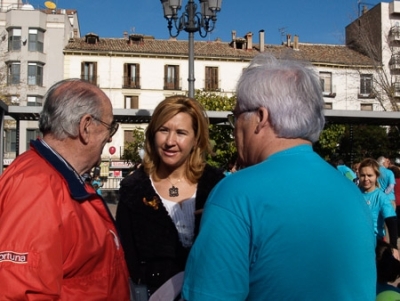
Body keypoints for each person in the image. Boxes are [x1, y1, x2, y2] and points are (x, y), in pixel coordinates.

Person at [182, 53, 376, 300]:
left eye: (236, 117)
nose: (234, 131)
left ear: (260, 118)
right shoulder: (352, 193)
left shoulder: (235, 194)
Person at [0, 79, 130, 300]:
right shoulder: (37, 186)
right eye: (110, 127)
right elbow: (21, 291)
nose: (110, 138)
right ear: (86, 126)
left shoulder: (57, 179)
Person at [116, 96, 225, 296]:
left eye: (181, 132)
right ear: (152, 135)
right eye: (163, 130)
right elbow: (125, 260)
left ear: (196, 139)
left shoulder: (218, 187)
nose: (170, 141)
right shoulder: (133, 190)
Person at [358, 158, 398, 248]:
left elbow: (391, 221)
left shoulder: (381, 197)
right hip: (356, 241)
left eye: (369, 175)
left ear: (376, 176)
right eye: (362, 175)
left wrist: (394, 246)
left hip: (374, 242)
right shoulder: (355, 193)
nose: (366, 179)